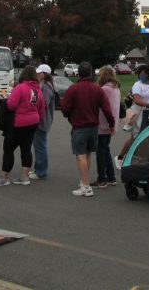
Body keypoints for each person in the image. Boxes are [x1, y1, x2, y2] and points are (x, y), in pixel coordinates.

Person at [61, 61, 115, 197]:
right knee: (88, 154)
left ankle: (86, 186)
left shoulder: (73, 89)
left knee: (81, 156)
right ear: (91, 73)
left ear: (78, 73)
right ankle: (84, 181)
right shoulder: (98, 89)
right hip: (93, 127)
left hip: (79, 127)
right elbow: (107, 109)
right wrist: (111, 124)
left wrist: (69, 116)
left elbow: (65, 108)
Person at [0, 66, 45, 187]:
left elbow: (11, 105)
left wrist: (8, 99)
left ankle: (4, 177)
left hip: (18, 123)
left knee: (8, 149)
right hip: (33, 122)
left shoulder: (20, 88)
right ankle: (24, 177)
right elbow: (42, 109)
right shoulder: (38, 90)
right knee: (26, 149)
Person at [115, 64, 149, 167]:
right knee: (136, 137)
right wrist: (148, 105)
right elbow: (137, 100)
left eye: (144, 74)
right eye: (140, 74)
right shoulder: (137, 85)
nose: (142, 76)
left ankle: (146, 160)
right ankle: (120, 158)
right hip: (139, 114)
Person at [92, 65, 121, 189]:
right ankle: (111, 177)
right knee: (106, 149)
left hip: (102, 122)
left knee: (100, 151)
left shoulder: (104, 89)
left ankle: (102, 178)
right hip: (112, 122)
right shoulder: (116, 88)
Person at [31, 64, 55, 180]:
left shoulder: (46, 86)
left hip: (42, 120)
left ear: (45, 74)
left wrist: (33, 106)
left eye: (39, 72)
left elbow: (44, 104)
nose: (37, 74)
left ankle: (41, 171)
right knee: (38, 145)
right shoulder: (42, 84)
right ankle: (37, 168)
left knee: (40, 146)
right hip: (40, 119)